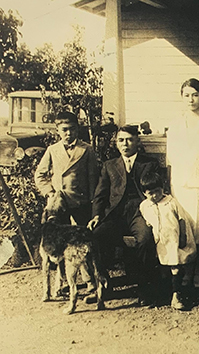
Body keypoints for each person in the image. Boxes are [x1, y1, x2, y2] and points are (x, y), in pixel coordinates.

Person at [87, 125, 160, 306]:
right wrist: (96, 215)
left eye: (129, 139)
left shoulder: (148, 163)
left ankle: (145, 288)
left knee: (144, 238)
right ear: (116, 143)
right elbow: (100, 194)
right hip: (116, 214)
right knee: (97, 235)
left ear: (137, 141)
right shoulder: (110, 165)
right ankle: (105, 286)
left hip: (140, 212)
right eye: (121, 140)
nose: (125, 144)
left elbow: (156, 190)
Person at [35, 111, 99, 291]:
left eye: (72, 129)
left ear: (77, 129)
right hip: (58, 205)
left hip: (80, 202)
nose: (68, 133)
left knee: (82, 241)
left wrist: (93, 202)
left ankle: (89, 280)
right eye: (64, 130)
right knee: (59, 242)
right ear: (57, 130)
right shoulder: (52, 150)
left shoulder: (86, 150)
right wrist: (49, 193)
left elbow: (93, 177)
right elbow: (40, 175)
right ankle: (62, 280)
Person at [167, 78, 199, 288]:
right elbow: (170, 159)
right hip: (181, 186)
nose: (191, 99)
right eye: (187, 95)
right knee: (185, 231)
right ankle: (187, 273)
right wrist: (172, 186)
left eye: (195, 95)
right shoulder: (175, 125)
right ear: (182, 97)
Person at [139, 171, 196, 310]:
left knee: (175, 265)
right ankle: (164, 294)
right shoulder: (145, 205)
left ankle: (177, 295)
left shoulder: (171, 202)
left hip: (173, 240)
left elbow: (182, 219)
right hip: (160, 242)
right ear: (144, 193)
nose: (154, 196)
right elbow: (146, 219)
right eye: (150, 193)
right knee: (162, 267)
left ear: (162, 188)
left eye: (157, 191)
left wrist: (183, 236)